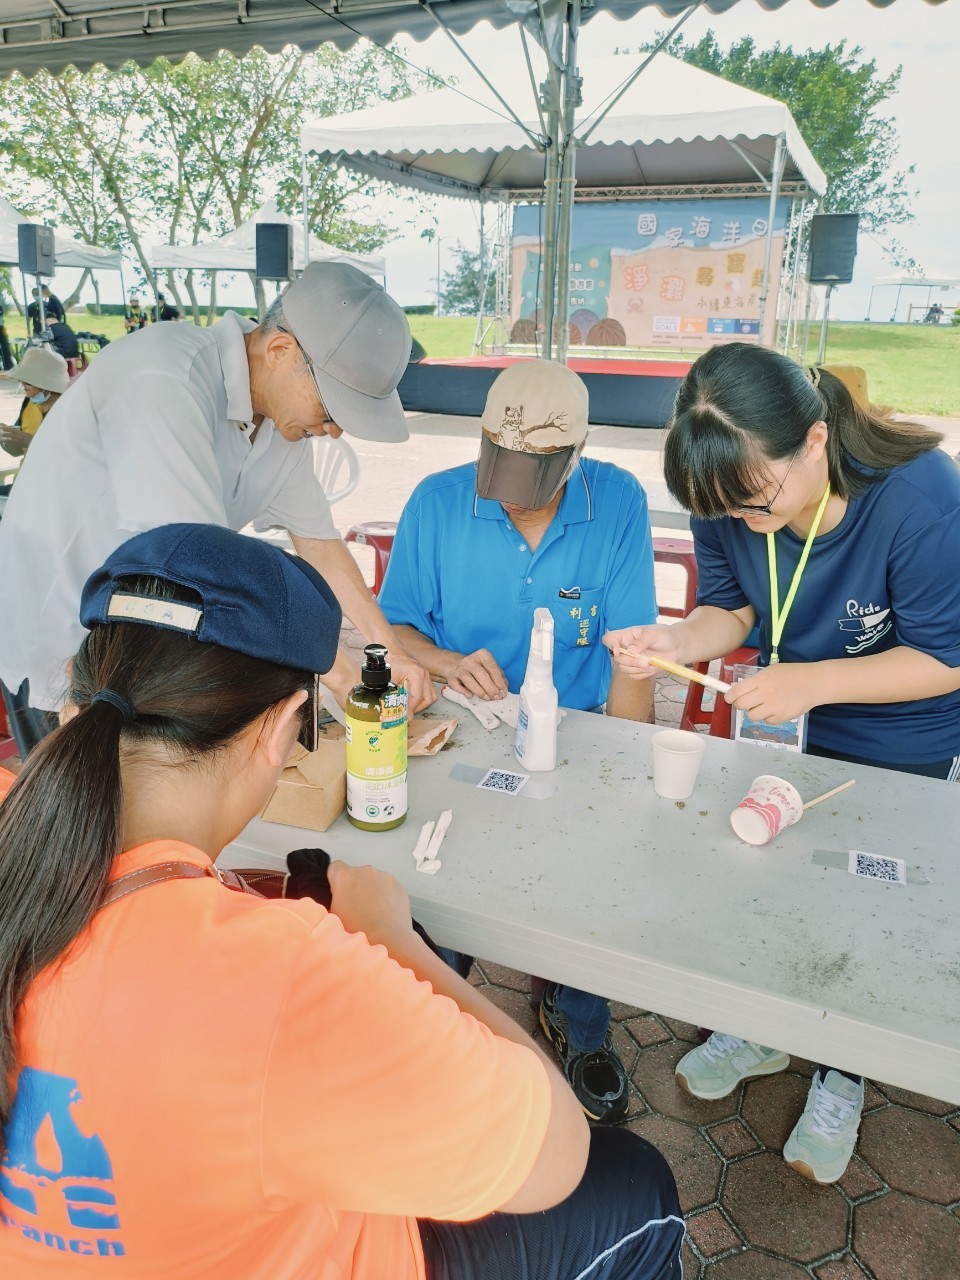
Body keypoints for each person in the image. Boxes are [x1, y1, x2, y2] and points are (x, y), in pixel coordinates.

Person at [0, 521, 683, 1279]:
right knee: (634, 1183)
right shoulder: (273, 970)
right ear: (279, 730)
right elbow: (557, 1150)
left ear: (79, 696)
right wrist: (399, 942)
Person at [605, 341, 960, 1183]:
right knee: (766, 882)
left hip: (901, 738)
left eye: (757, 500)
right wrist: (675, 640)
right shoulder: (728, 494)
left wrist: (814, 680)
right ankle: (766, 1026)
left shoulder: (919, 498)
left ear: (813, 441)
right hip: (784, 722)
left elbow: (947, 658)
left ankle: (845, 1070)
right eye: (725, 509)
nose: (745, 519)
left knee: (867, 911)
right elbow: (731, 609)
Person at [0, 260, 434, 758]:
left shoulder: (281, 425)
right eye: (333, 408)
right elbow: (198, 563)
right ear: (279, 350)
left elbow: (321, 545)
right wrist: (337, 672)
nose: (334, 430)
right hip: (58, 634)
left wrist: (388, 654)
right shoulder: (164, 376)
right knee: (76, 817)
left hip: (134, 633)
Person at [379, 359, 658, 1124]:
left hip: (579, 730)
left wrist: (627, 773)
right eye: (496, 467)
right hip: (463, 730)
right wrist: (440, 660)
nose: (506, 490)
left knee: (580, 885)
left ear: (575, 454)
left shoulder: (619, 502)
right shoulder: (437, 502)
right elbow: (393, 625)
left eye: (531, 473)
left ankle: (579, 1019)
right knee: (437, 880)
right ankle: (441, 1003)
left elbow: (630, 648)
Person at [0, 346, 69, 460]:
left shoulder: (69, 410)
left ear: (48, 386)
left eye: (28, 383)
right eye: (21, 382)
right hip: (30, 471)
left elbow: (70, 455)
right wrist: (7, 437)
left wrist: (29, 441)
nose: (24, 388)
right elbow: (17, 451)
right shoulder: (29, 403)